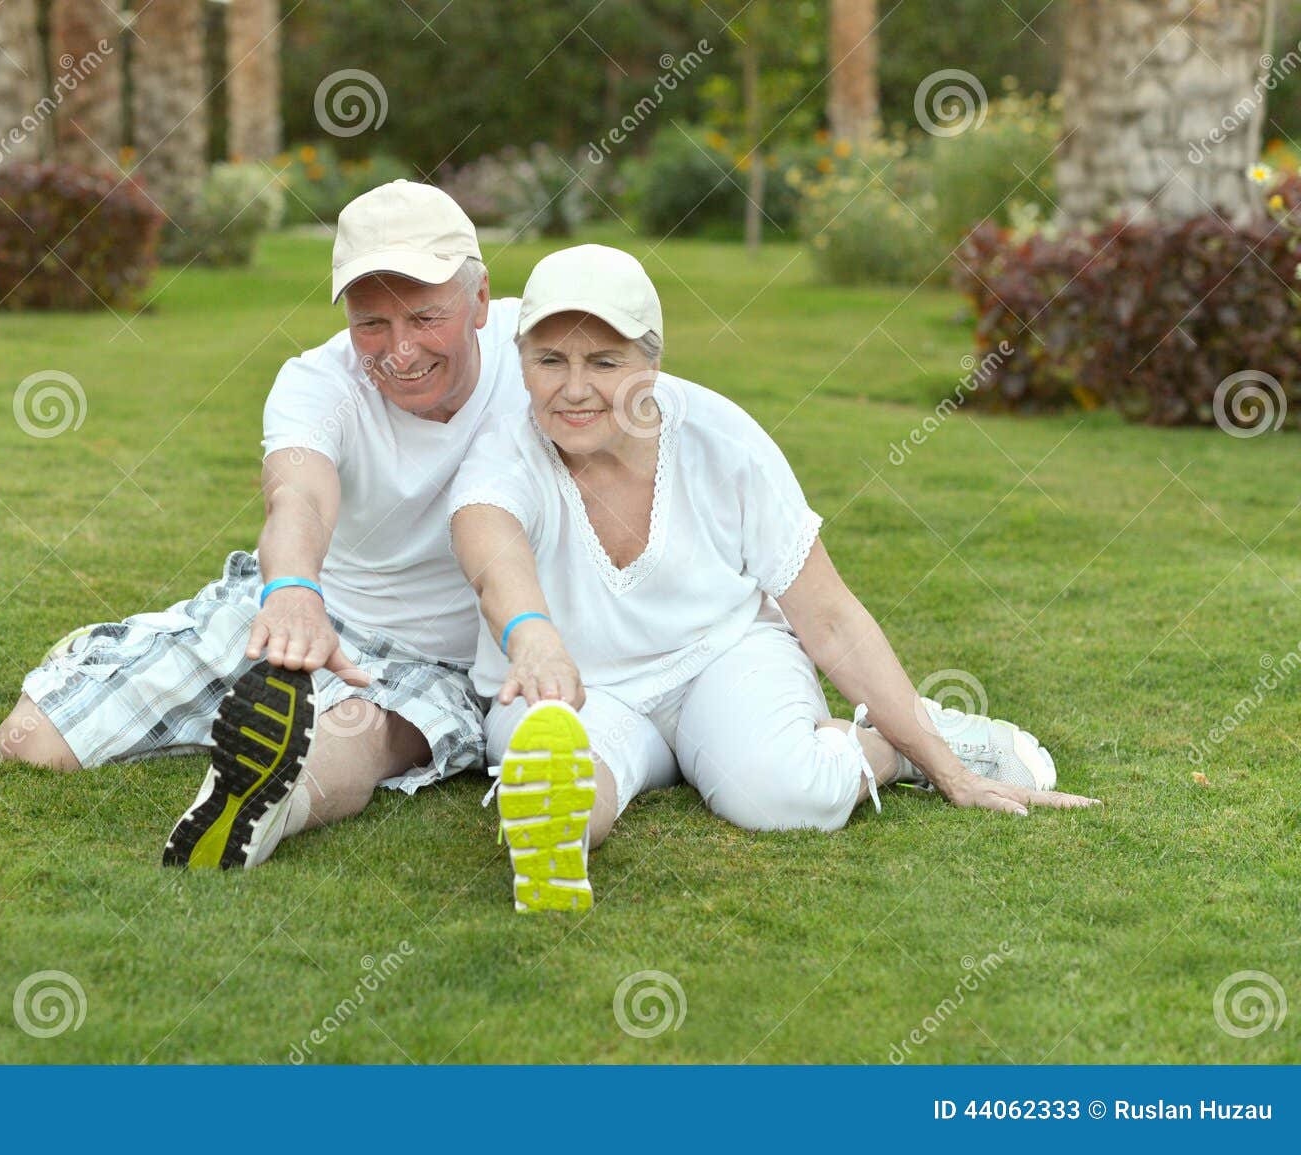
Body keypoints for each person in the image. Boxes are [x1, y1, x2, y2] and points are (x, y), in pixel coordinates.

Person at [448, 244, 1101, 914]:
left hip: (721, 662)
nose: (574, 387)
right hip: (573, 681)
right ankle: (558, 844)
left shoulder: (722, 440)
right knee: (560, 790)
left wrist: (950, 772)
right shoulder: (505, 451)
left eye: (604, 362)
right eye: (549, 360)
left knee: (784, 794)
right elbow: (490, 548)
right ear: (521, 360)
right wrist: (531, 637)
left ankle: (895, 747)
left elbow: (829, 616)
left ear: (651, 362)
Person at [0, 181, 526, 870]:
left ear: (480, 300)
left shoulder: (538, 357)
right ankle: (112, 654)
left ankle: (258, 806)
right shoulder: (317, 382)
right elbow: (297, 495)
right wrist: (296, 588)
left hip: (440, 661)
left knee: (351, 737)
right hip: (292, 606)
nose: (399, 351)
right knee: (30, 744)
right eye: (371, 323)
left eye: (425, 317)